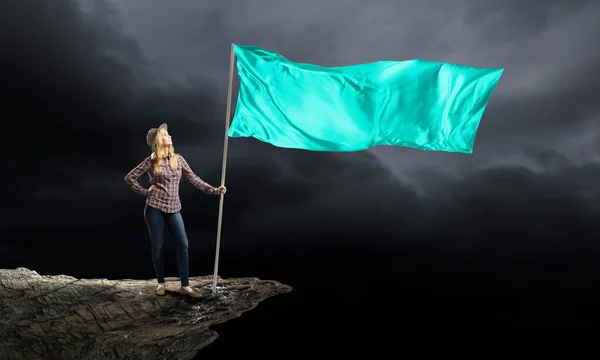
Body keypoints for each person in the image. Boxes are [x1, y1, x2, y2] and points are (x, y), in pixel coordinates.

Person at [124, 123, 226, 298]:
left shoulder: (178, 159)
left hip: (174, 209)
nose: (170, 136)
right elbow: (130, 178)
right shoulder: (151, 161)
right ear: (158, 141)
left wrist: (214, 190)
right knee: (158, 247)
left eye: (168, 134)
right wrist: (145, 192)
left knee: (183, 246)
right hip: (154, 208)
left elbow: (194, 178)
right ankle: (160, 284)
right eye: (165, 134)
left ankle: (185, 286)